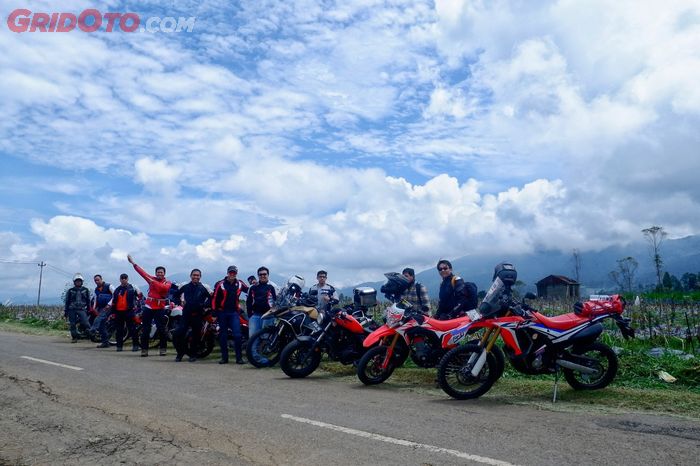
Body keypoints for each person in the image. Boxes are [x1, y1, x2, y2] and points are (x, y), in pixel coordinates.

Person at [128, 254, 171, 357]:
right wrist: (133, 263)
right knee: (145, 329)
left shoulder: (167, 282)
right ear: (155, 273)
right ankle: (144, 350)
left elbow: (163, 289)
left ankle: (163, 349)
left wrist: (153, 281)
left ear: (164, 273)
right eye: (158, 272)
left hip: (160, 308)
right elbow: (142, 273)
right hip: (149, 307)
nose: (159, 274)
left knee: (161, 329)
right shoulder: (151, 279)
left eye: (161, 272)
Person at [212, 265, 249, 364]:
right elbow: (215, 298)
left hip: (234, 313)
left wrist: (255, 284)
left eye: (234, 272)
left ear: (236, 273)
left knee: (237, 335)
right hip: (222, 312)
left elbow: (250, 290)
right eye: (230, 272)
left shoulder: (240, 284)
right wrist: (214, 312)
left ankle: (239, 358)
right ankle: (224, 358)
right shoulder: (221, 284)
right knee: (223, 335)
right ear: (227, 273)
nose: (232, 274)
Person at [173, 269, 211, 362]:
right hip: (186, 314)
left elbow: (211, 299)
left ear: (200, 277)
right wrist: (180, 302)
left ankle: (193, 354)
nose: (196, 277)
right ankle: (180, 353)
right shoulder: (185, 286)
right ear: (190, 276)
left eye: (198, 275)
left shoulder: (203, 288)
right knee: (178, 333)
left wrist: (204, 305)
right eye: (194, 275)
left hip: (198, 315)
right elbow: (175, 295)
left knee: (196, 336)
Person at [109, 273, 140, 352]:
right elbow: (113, 302)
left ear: (127, 279)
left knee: (132, 329)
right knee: (119, 330)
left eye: (125, 278)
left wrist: (137, 307)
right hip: (118, 312)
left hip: (129, 312)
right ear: (120, 279)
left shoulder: (132, 288)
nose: (123, 279)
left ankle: (135, 345)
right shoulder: (117, 290)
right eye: (122, 278)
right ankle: (119, 346)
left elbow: (140, 296)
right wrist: (113, 313)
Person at [246, 266, 277, 337]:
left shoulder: (273, 286)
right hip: (255, 316)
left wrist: (274, 314)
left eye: (264, 274)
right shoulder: (253, 287)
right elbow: (249, 302)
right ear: (258, 276)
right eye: (260, 274)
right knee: (253, 338)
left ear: (268, 275)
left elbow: (276, 301)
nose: (263, 276)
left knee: (266, 337)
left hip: (268, 316)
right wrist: (250, 315)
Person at [64, 273, 91, 343]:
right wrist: (66, 311)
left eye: (79, 281)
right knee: (72, 324)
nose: (78, 282)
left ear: (82, 282)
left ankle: (91, 334)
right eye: (77, 281)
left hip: (82, 309)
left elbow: (88, 300)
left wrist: (89, 309)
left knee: (85, 323)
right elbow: (67, 301)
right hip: (72, 309)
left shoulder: (86, 290)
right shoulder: (70, 290)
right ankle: (74, 337)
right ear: (74, 282)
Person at [91, 274, 115, 348]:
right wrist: (94, 307)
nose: (97, 281)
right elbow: (95, 299)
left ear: (101, 279)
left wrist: (109, 304)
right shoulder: (96, 289)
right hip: (101, 307)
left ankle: (92, 330)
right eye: (95, 280)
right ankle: (105, 342)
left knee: (99, 317)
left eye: (98, 280)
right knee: (102, 326)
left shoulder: (109, 286)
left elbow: (115, 295)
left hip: (109, 307)